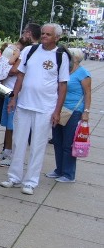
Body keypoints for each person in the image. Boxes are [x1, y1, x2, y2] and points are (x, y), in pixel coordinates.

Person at [2, 23, 70, 195]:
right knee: (18, 141)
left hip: (45, 107)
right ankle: (14, 177)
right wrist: (14, 97)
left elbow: (62, 86)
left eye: (48, 34)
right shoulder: (30, 51)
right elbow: (20, 75)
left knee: (37, 145)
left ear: (57, 37)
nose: (44, 36)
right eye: (43, 33)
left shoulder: (61, 55)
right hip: (24, 104)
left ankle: (31, 181)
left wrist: (57, 111)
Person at [0, 23, 40, 165]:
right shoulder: (30, 49)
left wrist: (5, 65)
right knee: (8, 124)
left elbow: (14, 70)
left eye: (24, 32)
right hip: (11, 90)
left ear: (29, 33)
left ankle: (11, 155)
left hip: (15, 92)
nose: (23, 34)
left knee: (13, 125)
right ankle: (6, 152)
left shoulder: (29, 50)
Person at [47, 47, 91, 183]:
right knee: (57, 141)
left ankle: (68, 173)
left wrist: (86, 112)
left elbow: (88, 93)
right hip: (59, 109)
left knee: (68, 144)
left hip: (74, 111)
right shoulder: (64, 70)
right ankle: (59, 169)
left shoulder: (83, 73)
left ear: (75, 58)